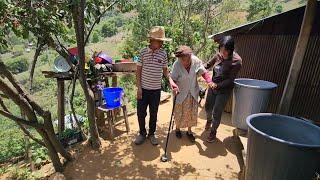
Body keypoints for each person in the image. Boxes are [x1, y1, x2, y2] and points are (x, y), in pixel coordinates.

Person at [135, 26, 178, 146]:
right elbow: (138, 71)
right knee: (141, 113)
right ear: (151, 40)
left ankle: (152, 134)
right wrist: (138, 87)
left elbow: (165, 71)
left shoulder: (163, 54)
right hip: (143, 89)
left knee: (154, 113)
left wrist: (171, 82)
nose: (160, 43)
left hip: (155, 90)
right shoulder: (142, 52)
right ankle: (142, 133)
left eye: (161, 41)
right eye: (158, 41)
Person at [171, 46, 213, 143]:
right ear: (180, 58)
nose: (185, 63)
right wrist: (174, 87)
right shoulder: (176, 64)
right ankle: (177, 129)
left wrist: (209, 81)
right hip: (180, 92)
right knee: (179, 112)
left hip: (193, 92)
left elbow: (203, 72)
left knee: (191, 113)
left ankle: (189, 131)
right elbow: (173, 79)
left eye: (187, 60)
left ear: (190, 57)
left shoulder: (195, 61)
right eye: (183, 60)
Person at [204, 36, 242, 143]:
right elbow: (207, 65)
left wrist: (217, 85)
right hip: (213, 87)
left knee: (217, 111)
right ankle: (208, 120)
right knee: (208, 107)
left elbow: (230, 80)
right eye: (221, 49)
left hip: (224, 90)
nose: (223, 53)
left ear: (231, 50)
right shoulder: (218, 55)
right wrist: (198, 68)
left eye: (226, 51)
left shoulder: (237, 61)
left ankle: (213, 131)